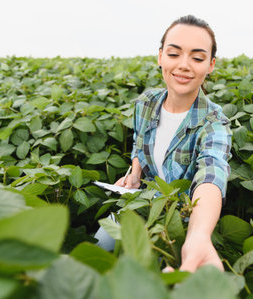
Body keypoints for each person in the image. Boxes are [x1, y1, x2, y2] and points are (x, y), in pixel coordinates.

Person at [96, 15, 232, 273]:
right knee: (94, 257)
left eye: (197, 57)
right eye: (174, 54)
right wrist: (135, 174)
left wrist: (199, 235)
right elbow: (139, 144)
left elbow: (212, 175)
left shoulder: (215, 123)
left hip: (176, 224)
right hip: (137, 205)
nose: (183, 65)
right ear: (160, 57)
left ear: (211, 65)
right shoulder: (146, 103)